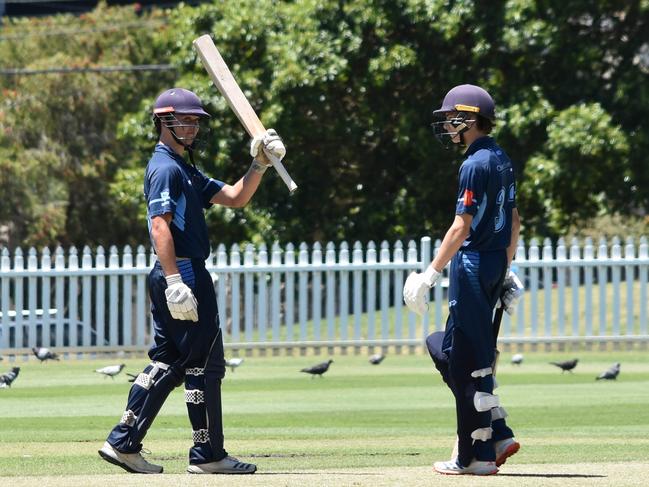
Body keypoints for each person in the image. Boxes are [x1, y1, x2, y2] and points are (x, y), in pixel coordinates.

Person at [98, 87, 286, 475]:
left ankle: (125, 441)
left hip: (181, 273)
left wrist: (260, 165)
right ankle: (206, 454)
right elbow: (159, 226)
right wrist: (174, 280)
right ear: (163, 122)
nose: (192, 127)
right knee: (201, 363)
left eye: (196, 121)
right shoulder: (166, 168)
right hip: (181, 272)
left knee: (172, 360)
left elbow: (235, 197)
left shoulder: (184, 168)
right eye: (184, 119)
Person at [403, 84, 524, 475]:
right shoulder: (502, 157)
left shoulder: (474, 163)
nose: (447, 126)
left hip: (471, 264)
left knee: (467, 365)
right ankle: (499, 430)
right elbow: (515, 220)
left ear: (468, 119)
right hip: (492, 262)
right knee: (451, 350)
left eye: (451, 118)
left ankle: (474, 457)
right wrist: (505, 269)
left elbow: (461, 225)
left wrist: (430, 273)